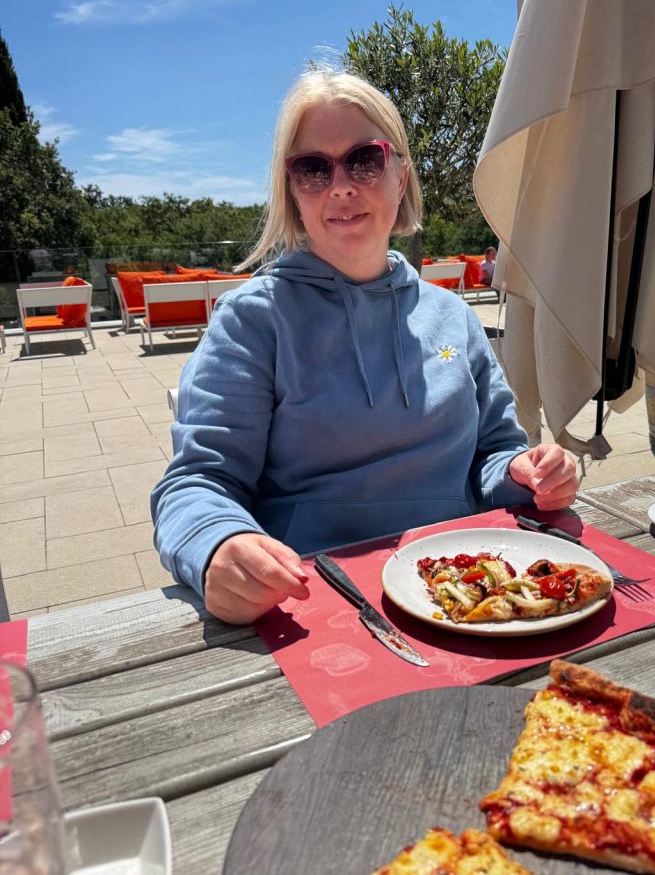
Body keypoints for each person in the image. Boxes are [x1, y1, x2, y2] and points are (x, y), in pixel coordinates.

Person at [151, 68, 578, 625]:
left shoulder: (452, 315)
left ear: (401, 177)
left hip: (463, 586)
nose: (341, 187)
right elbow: (198, 481)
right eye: (313, 169)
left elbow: (493, 451)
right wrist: (216, 544)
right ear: (292, 192)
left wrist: (525, 471)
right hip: (317, 599)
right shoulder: (253, 321)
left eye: (364, 160)